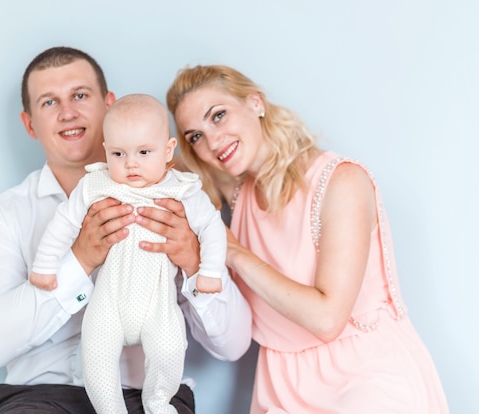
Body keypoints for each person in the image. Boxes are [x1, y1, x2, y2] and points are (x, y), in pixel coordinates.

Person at [0, 47, 251, 414]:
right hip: (36, 398)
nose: (68, 112)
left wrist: (194, 261)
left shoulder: (176, 201)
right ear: (30, 124)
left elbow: (235, 345)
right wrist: (77, 261)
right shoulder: (3, 216)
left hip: (148, 396)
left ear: (109, 105)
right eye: (49, 102)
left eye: (80, 95)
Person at [166, 64, 449, 413]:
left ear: (255, 103)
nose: (212, 141)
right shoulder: (235, 187)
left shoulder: (340, 181)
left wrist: (234, 252)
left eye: (219, 116)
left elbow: (327, 319)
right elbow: (148, 158)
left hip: (366, 378)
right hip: (281, 384)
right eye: (195, 136)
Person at [29, 93, 225, 413]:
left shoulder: (181, 189)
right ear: (106, 151)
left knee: (170, 348)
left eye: (144, 152)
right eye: (119, 153)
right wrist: (44, 265)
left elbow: (212, 227)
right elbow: (63, 222)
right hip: (109, 301)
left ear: (168, 150)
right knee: (95, 352)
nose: (131, 163)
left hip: (157, 304)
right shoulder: (97, 184)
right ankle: (110, 409)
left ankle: (158, 401)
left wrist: (210, 272)